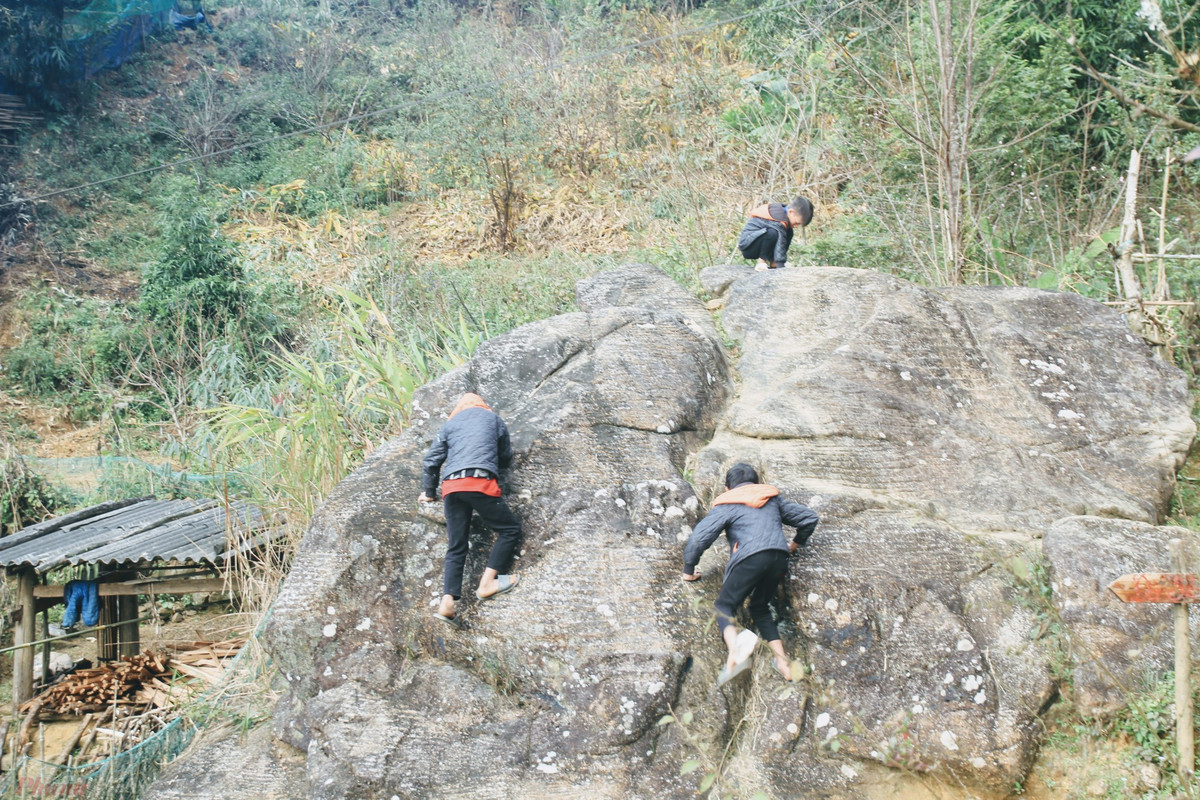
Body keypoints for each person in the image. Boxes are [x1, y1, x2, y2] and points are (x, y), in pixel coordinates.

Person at [682, 463, 818, 685]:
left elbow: (699, 538)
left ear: (728, 488)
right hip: (779, 558)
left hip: (750, 558)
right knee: (759, 607)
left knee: (724, 606)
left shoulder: (727, 504)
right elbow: (809, 518)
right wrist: (794, 545)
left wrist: (689, 569)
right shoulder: (772, 499)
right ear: (756, 483)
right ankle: (783, 662)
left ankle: (734, 656)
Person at [419, 392, 523, 626]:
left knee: (456, 546)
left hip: (451, 487)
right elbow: (505, 456)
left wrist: (428, 493)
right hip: (479, 482)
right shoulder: (493, 419)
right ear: (482, 406)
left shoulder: (450, 425)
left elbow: (431, 461)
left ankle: (447, 602)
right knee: (510, 530)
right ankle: (487, 584)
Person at [736, 196, 813, 271]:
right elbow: (781, 243)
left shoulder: (784, 219)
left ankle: (773, 262)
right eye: (797, 223)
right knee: (772, 233)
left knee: (788, 232)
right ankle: (761, 262)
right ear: (791, 212)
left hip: (761, 242)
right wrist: (781, 264)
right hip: (748, 246)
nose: (796, 226)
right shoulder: (777, 218)